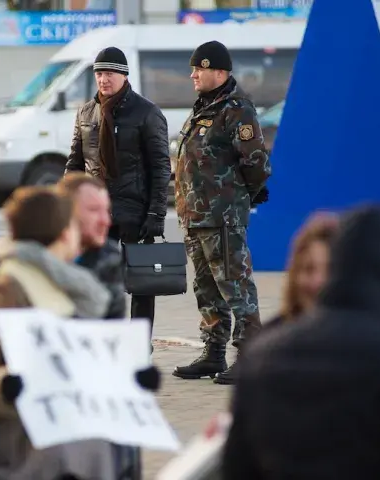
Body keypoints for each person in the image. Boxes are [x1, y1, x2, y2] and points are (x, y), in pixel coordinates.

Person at [223, 205, 380, 480]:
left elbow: (237, 466)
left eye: (325, 270)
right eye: (308, 269)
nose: (317, 280)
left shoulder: (262, 353)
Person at [0, 186, 118, 479]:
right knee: (74, 447)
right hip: (15, 415)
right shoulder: (7, 287)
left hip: (66, 406)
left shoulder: (70, 286)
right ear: (63, 232)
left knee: (100, 441)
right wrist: (1, 381)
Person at [172, 41, 272, 385]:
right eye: (193, 69)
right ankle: (213, 353)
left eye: (199, 68)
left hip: (222, 217)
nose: (193, 75)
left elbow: (256, 163)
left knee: (236, 287)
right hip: (195, 217)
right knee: (206, 289)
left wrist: (240, 199)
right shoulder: (203, 107)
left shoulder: (237, 109)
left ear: (220, 72)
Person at [64, 46, 172, 338]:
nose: (103, 79)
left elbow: (161, 168)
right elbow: (75, 164)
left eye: (109, 73)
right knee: (93, 279)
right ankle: (101, 339)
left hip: (135, 212)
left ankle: (139, 342)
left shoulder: (147, 112)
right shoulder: (86, 112)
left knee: (141, 282)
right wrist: (65, 206)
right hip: (94, 214)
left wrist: (155, 212)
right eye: (99, 73)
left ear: (124, 76)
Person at [56, 172, 126, 319]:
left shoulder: (109, 257)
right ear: (65, 212)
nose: (105, 221)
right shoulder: (38, 255)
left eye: (106, 211)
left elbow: (114, 321)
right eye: (93, 210)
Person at [274, 212, 340, 325]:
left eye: (330, 270)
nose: (318, 282)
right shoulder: (269, 339)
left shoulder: (372, 340)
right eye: (309, 269)